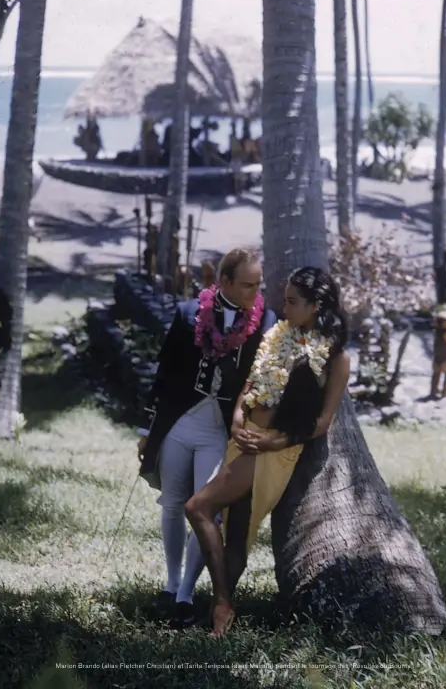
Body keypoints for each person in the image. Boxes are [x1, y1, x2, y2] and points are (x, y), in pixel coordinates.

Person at [184, 267, 351, 637]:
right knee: (239, 528)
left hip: (274, 451)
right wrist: (238, 416)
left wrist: (271, 442)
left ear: (316, 305)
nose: (283, 306)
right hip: (244, 439)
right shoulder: (278, 335)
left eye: (292, 301)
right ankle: (221, 611)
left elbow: (322, 423)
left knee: (198, 507)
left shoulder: (336, 358)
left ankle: (222, 604)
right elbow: (251, 383)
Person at [137, 248, 277, 628]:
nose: (255, 291)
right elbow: (165, 372)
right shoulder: (188, 314)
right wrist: (148, 429)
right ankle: (170, 583)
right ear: (225, 282)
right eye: (247, 284)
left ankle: (186, 593)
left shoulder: (266, 320)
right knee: (172, 503)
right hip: (181, 421)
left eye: (258, 284)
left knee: (206, 510)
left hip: (219, 429)